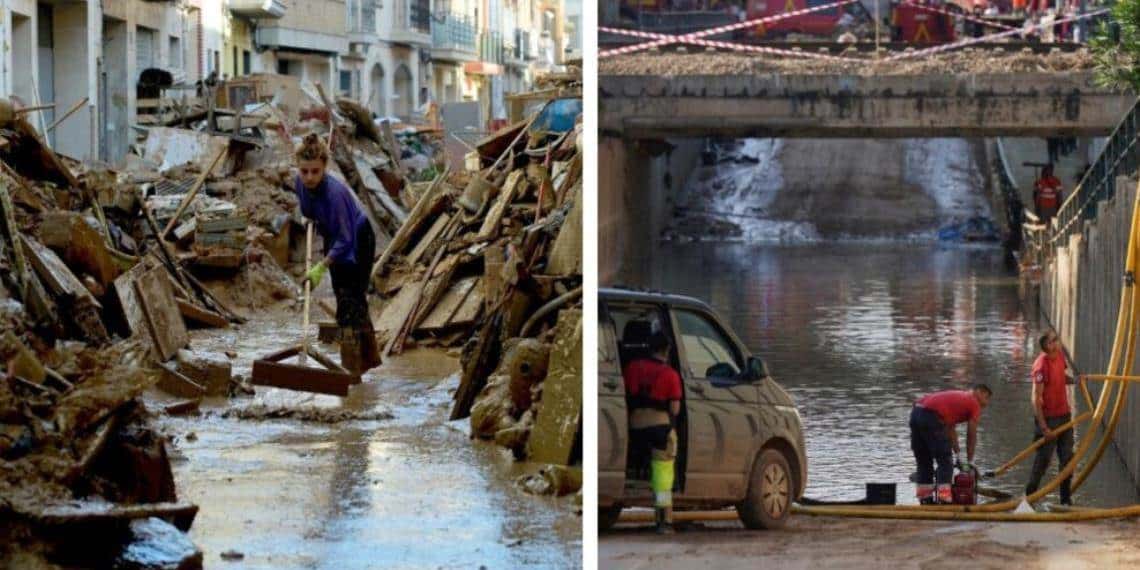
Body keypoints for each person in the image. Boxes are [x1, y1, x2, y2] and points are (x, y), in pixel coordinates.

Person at [294, 134, 380, 374]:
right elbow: (307, 209)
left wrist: (321, 266)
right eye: (305, 171)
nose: (309, 177)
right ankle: (369, 361)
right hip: (336, 236)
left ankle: (352, 373)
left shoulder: (335, 194)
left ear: (324, 168)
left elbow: (346, 239)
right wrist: (308, 217)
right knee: (346, 297)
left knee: (350, 302)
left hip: (358, 239)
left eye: (315, 171)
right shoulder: (299, 183)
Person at [623, 328, 683, 534]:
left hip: (634, 427)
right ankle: (664, 521)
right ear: (666, 351)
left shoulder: (632, 367)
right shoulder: (670, 374)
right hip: (659, 429)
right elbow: (675, 409)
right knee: (663, 476)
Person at [910, 384, 993, 503]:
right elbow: (971, 434)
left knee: (924, 460)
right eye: (987, 398)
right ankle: (944, 500)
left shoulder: (957, 399)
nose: (987, 403)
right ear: (979, 392)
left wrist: (959, 456)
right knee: (945, 461)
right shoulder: (973, 402)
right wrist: (970, 462)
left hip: (916, 412)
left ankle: (925, 499)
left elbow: (950, 431)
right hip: (931, 416)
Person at [1025, 330, 1075, 505]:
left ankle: (1065, 501)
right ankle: (1030, 497)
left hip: (1064, 416)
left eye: (1057, 339)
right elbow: (1035, 398)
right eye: (1053, 341)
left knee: (1068, 459)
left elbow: (1062, 377)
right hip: (1049, 419)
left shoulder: (1060, 356)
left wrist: (1075, 380)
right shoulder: (1041, 365)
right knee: (1044, 460)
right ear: (1046, 345)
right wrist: (1044, 427)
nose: (1057, 343)